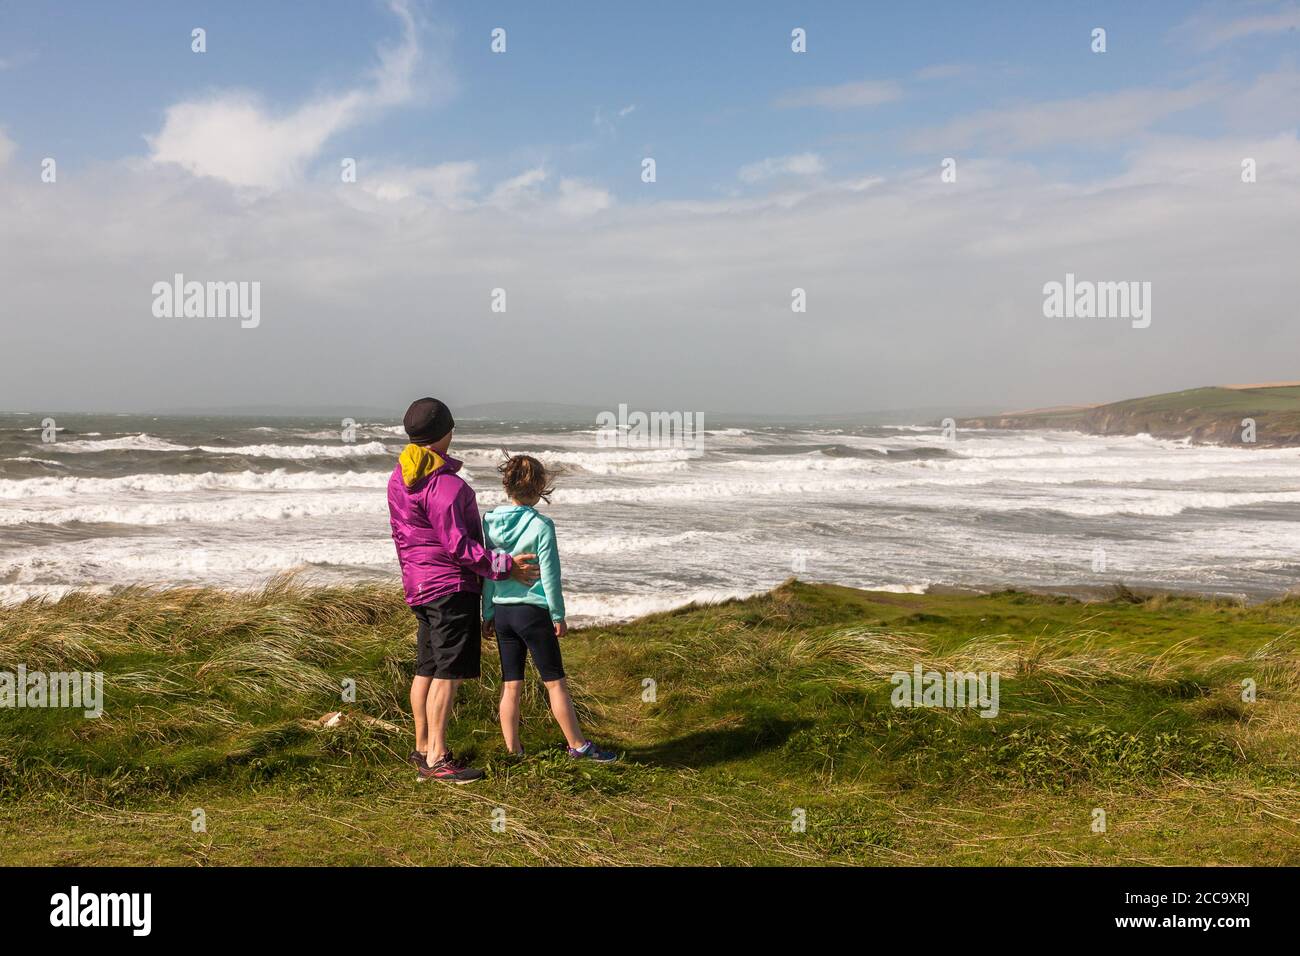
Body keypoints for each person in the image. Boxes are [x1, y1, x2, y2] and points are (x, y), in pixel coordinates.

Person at [387, 397, 539, 783]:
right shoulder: (446, 486)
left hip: (418, 584)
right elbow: (458, 547)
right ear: (447, 434)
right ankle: (438, 758)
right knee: (447, 673)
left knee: (428, 667)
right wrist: (505, 567)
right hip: (449, 587)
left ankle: (422, 749)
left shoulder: (398, 477)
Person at [482, 454, 618, 763]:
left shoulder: (489, 522)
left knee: (511, 683)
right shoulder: (542, 525)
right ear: (541, 487)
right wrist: (558, 614)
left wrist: (487, 612)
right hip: (533, 611)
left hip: (503, 612)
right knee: (554, 681)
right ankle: (579, 746)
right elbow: (550, 573)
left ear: (507, 485)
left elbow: (490, 570)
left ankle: (513, 751)